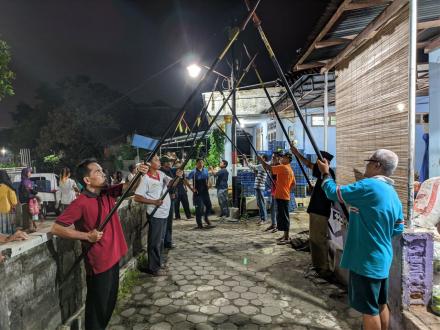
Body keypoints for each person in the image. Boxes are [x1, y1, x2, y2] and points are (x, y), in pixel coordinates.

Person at [51, 158, 148, 330]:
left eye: (102, 170)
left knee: (108, 305)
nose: (103, 173)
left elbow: (130, 187)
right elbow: (57, 228)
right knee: (96, 310)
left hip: (114, 258)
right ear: (87, 180)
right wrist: (87, 236)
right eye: (97, 171)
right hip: (99, 264)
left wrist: (140, 173)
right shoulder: (80, 202)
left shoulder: (107, 192)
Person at [317, 149, 404, 330]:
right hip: (382, 259)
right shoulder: (392, 193)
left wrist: (325, 173)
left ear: (377, 165)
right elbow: (397, 228)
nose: (366, 165)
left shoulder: (369, 186)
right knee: (380, 304)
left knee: (368, 310)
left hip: (366, 261)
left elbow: (334, 193)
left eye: (369, 162)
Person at [290, 145, 335, 278]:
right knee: (315, 239)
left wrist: (297, 154)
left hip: (320, 211)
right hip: (317, 210)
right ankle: (319, 266)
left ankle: (322, 268)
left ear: (324, 161)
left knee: (318, 239)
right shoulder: (324, 175)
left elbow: (308, 164)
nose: (316, 163)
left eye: (319, 160)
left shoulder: (328, 173)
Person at [134, 155, 183, 275]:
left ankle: (157, 264)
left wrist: (178, 176)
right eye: (156, 160)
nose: (159, 161)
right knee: (155, 242)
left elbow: (172, 184)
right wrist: (154, 202)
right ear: (149, 163)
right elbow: (137, 197)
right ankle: (153, 268)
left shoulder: (161, 174)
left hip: (164, 212)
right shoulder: (146, 179)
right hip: (155, 214)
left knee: (160, 241)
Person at [259, 152, 296, 244]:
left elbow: (269, 168)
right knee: (283, 216)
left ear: (288, 159)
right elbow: (294, 184)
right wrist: (286, 189)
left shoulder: (283, 167)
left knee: (284, 217)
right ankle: (284, 235)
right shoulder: (290, 169)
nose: (281, 159)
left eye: (283, 158)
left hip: (282, 196)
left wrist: (261, 160)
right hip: (284, 195)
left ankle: (286, 238)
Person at [187, 158, 213, 229]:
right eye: (199, 162)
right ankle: (199, 224)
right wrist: (191, 188)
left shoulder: (205, 170)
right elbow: (186, 180)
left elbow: (208, 178)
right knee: (199, 209)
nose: (201, 164)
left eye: (202, 162)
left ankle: (206, 218)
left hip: (205, 192)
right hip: (197, 193)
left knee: (209, 206)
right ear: (196, 163)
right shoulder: (193, 172)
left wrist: (209, 184)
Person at [244, 155, 269, 225]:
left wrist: (245, 159)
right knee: (260, 203)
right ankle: (262, 218)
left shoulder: (263, 166)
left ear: (264, 159)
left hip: (260, 187)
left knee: (261, 203)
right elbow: (254, 168)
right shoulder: (263, 166)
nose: (259, 159)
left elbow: (251, 166)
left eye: (261, 157)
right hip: (258, 187)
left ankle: (264, 219)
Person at [159, 156, 176, 249]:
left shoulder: (169, 171)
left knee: (169, 221)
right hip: (165, 199)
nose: (169, 163)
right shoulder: (161, 172)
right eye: (167, 162)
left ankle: (168, 241)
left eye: (170, 162)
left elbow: (173, 184)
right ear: (163, 163)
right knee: (165, 221)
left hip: (171, 199)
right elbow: (167, 185)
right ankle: (164, 242)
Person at [264, 151, 282, 233]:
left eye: (274, 157)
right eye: (272, 157)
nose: (273, 159)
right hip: (274, 189)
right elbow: (268, 167)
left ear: (279, 158)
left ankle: (278, 225)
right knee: (272, 207)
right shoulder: (274, 165)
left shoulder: (280, 166)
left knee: (277, 208)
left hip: (278, 190)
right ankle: (273, 224)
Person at [18, 168, 38, 232]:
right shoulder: (26, 181)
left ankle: (28, 228)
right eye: (29, 172)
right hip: (27, 201)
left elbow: (28, 190)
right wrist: (33, 195)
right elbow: (27, 192)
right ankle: (29, 228)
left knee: (26, 215)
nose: (30, 173)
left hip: (24, 201)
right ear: (26, 173)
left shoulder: (24, 181)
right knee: (28, 214)